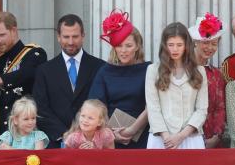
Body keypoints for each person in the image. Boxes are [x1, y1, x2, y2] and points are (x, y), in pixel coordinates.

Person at [33, 14, 105, 148]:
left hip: (91, 144)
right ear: (58, 37)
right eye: (66, 37)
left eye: (75, 36)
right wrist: (66, 134)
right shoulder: (44, 71)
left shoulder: (99, 67)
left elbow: (102, 104)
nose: (71, 42)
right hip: (56, 143)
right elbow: (41, 109)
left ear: (83, 36)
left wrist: (86, 134)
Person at [88, 10, 150, 149]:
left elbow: (153, 106)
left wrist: (132, 130)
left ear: (137, 46)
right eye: (119, 45)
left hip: (143, 138)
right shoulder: (105, 71)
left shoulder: (149, 70)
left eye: (128, 45)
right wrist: (110, 133)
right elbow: (95, 106)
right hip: (110, 139)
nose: (123, 50)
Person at [145, 22, 208, 149]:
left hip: (190, 138)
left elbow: (202, 109)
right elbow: (153, 108)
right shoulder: (153, 70)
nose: (175, 49)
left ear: (186, 46)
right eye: (171, 45)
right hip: (161, 138)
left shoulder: (199, 71)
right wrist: (166, 136)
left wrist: (182, 136)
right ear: (164, 45)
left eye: (179, 45)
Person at [0, 12, 46, 136]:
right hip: (6, 132)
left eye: (2, 35)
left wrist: (0, 79)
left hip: (30, 132)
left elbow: (29, 73)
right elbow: (2, 105)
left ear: (14, 30)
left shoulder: (34, 54)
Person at [189, 13, 227, 148]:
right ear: (195, 42)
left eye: (214, 44)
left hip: (212, 138)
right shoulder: (183, 70)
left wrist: (216, 136)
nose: (209, 48)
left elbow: (220, 108)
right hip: (187, 137)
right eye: (205, 42)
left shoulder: (217, 74)